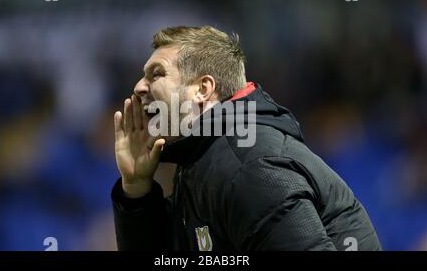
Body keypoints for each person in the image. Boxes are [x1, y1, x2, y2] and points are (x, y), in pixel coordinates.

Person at [111, 26, 381, 251]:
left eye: (156, 73)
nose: (139, 86)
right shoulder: (202, 159)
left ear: (203, 89)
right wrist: (136, 189)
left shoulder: (250, 165)